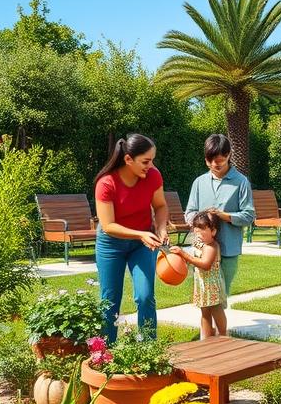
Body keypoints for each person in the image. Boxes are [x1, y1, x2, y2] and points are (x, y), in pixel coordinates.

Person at [93, 133, 169, 342]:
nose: (150, 165)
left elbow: (160, 206)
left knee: (145, 297)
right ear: (128, 159)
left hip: (141, 245)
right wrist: (141, 234)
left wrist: (161, 229)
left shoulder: (153, 176)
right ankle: (105, 353)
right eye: (145, 161)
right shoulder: (106, 183)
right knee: (109, 301)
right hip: (111, 245)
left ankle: (148, 350)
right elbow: (108, 226)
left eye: (152, 160)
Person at [184, 134, 255, 316]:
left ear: (229, 155)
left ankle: (220, 339)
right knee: (204, 300)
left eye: (220, 161)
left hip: (229, 250)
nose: (215, 165)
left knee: (220, 299)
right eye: (210, 161)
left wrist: (225, 216)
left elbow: (249, 215)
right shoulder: (199, 182)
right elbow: (189, 213)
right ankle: (208, 338)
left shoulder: (241, 182)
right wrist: (202, 219)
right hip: (202, 250)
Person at [170, 211, 227, 338]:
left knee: (216, 309)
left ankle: (223, 334)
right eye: (196, 230)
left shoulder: (211, 247)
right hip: (202, 284)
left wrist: (183, 254)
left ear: (213, 232)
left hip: (212, 285)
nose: (198, 234)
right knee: (204, 312)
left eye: (203, 230)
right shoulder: (201, 245)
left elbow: (205, 265)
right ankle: (206, 339)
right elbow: (194, 258)